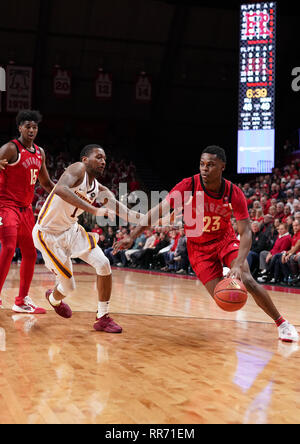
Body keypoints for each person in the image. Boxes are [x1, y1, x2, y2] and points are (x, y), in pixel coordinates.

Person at [114, 145, 298, 342]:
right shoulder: (188, 185)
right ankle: (227, 273)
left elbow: (245, 233)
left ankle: (283, 324)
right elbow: (158, 211)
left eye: (210, 165)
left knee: (247, 278)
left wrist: (237, 264)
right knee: (224, 299)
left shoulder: (233, 192)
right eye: (202, 164)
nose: (204, 168)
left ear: (222, 167)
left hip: (224, 240)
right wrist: (132, 237)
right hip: (199, 249)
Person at [32, 144, 141, 333]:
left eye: (105, 158)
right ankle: (53, 298)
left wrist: (158, 219)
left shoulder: (99, 189)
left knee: (104, 264)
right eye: (98, 157)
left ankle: (102, 317)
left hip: (71, 230)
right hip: (48, 234)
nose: (103, 161)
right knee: (68, 286)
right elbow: (60, 189)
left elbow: (127, 213)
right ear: (85, 159)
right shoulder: (77, 168)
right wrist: (94, 209)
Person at [0, 110, 55, 313]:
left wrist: (65, 195)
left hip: (26, 210)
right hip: (5, 206)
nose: (32, 130)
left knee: (31, 253)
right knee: (8, 246)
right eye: (28, 126)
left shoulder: (39, 152)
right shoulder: (10, 148)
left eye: (35, 127)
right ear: (20, 127)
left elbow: (47, 182)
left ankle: (21, 300)